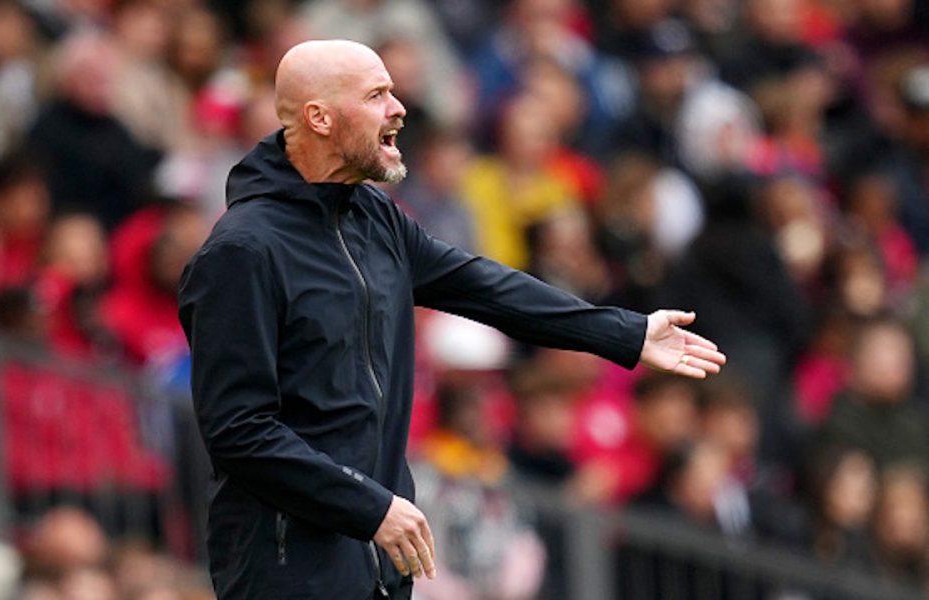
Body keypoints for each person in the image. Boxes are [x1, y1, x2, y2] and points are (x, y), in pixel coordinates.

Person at [177, 39, 727, 600]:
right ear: (320, 118)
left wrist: (626, 332)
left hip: (378, 561)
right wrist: (370, 507)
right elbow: (238, 431)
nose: (399, 108)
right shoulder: (242, 251)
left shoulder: (376, 219)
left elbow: (485, 286)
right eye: (377, 95)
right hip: (286, 569)